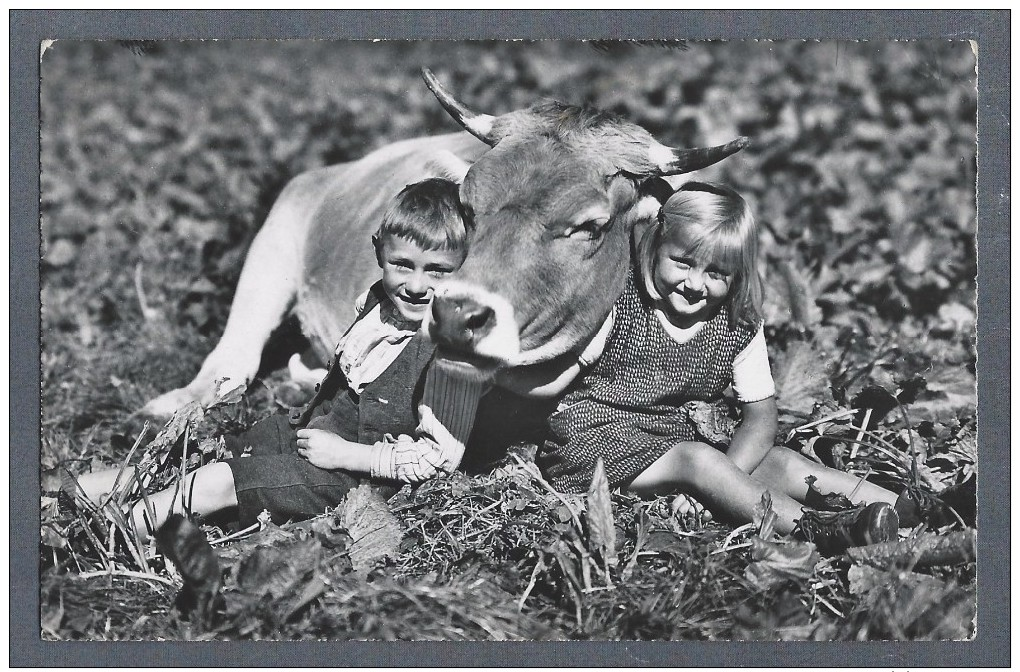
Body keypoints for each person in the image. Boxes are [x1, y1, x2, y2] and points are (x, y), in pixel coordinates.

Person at [70, 177, 484, 539]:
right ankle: (64, 496)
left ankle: (103, 533)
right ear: (378, 252)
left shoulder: (453, 352)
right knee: (206, 451)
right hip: (312, 433)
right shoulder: (377, 302)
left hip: (361, 479)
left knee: (220, 480)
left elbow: (439, 458)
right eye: (402, 265)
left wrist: (349, 456)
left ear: (467, 269)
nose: (415, 285)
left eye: (437, 271)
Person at [500, 182, 903, 554]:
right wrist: (499, 375)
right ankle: (819, 531)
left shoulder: (737, 324)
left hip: (676, 440)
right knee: (699, 460)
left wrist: (721, 480)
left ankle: (905, 507)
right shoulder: (621, 301)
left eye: (715, 273)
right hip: (597, 444)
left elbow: (761, 419)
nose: (694, 283)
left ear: (737, 274)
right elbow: (559, 378)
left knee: (781, 462)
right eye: (682, 262)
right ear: (656, 244)